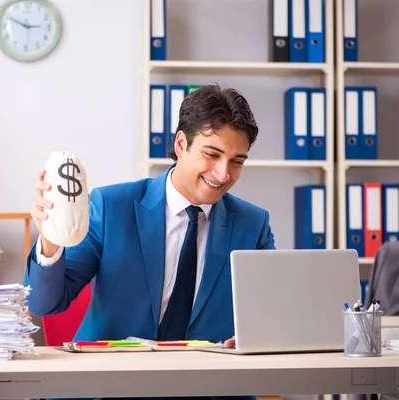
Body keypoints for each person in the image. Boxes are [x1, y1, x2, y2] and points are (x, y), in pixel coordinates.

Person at [24, 84, 275, 399]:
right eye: (212, 155)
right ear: (181, 143)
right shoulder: (111, 205)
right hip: (110, 389)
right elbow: (45, 304)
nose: (223, 173)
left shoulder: (253, 225)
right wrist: (50, 236)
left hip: (206, 391)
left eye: (237, 161)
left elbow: (269, 319)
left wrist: (254, 337)